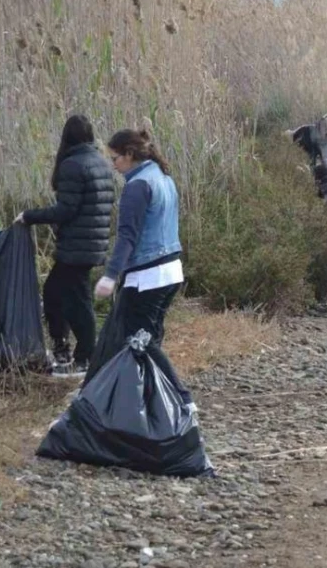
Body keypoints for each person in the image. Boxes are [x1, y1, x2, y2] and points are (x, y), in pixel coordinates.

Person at [91, 127, 194, 408]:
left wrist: (111, 276)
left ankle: (182, 398)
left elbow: (127, 237)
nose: (113, 165)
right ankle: (153, 401)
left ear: (129, 154)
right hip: (172, 270)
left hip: (149, 275)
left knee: (140, 340)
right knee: (150, 338)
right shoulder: (163, 177)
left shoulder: (137, 186)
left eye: (115, 159)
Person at [14, 115, 115, 376]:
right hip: (91, 244)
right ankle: (63, 349)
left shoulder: (73, 165)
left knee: (78, 303)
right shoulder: (101, 163)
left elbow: (66, 210)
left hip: (77, 248)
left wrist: (29, 216)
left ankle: (84, 359)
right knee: (54, 294)